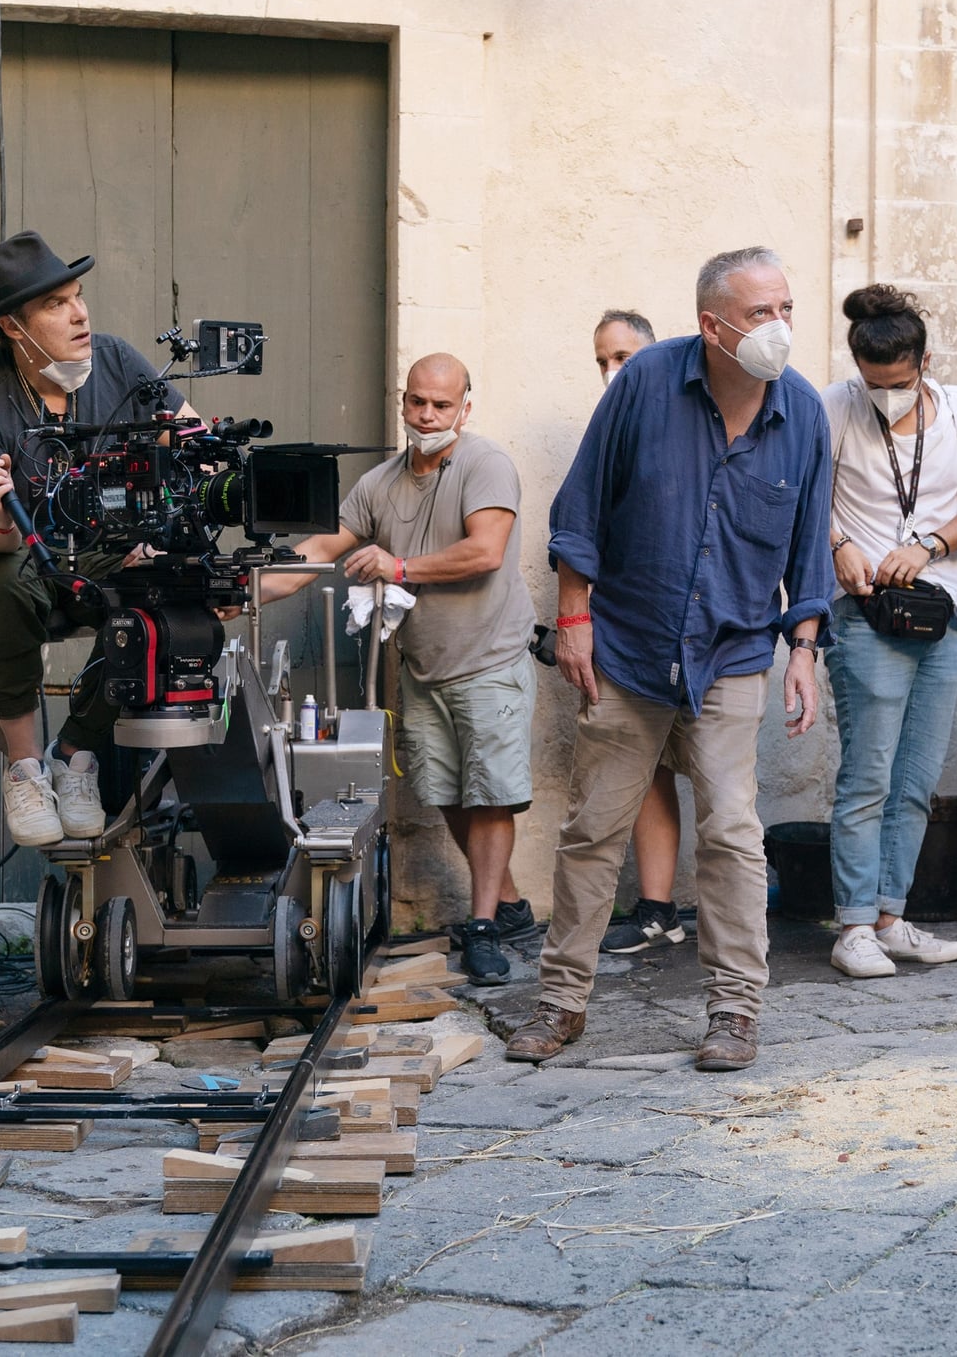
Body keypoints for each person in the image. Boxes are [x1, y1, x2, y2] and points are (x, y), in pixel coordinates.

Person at [514, 246, 833, 1073]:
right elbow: (579, 507)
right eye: (759, 314)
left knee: (731, 830)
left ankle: (735, 1011)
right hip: (626, 644)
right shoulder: (647, 382)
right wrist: (573, 618)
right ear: (711, 325)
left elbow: (807, 549)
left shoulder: (800, 412)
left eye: (786, 309)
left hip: (729, 653)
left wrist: (802, 648)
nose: (779, 328)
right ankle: (560, 1003)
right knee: (593, 830)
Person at [262, 354, 538, 986]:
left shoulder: (484, 463)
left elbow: (485, 550)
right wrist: (246, 589)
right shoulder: (381, 482)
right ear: (403, 401)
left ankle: (486, 924)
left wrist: (400, 567)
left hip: (490, 659)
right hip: (424, 667)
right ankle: (514, 905)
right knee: (447, 795)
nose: (428, 415)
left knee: (492, 796)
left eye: (442, 404)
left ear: (465, 406)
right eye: (418, 402)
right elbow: (321, 547)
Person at [0, 231, 206, 849]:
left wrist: (172, 522)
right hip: (11, 557)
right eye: (56, 305)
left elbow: (192, 442)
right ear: (12, 325)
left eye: (78, 297)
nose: (80, 313)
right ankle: (27, 767)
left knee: (168, 584)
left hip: (103, 558)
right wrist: (0, 507)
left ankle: (76, 755)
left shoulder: (116, 362)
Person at [821, 287, 957, 979]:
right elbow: (806, 494)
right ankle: (854, 925)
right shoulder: (834, 405)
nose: (884, 396)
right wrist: (839, 545)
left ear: (923, 364)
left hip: (940, 606)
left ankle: (892, 916)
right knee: (867, 773)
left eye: (897, 384)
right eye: (872, 383)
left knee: (918, 777)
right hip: (865, 608)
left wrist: (926, 545)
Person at [587, 310, 691, 956]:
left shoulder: (688, 425)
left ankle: (733, 929)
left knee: (718, 777)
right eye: (601, 359)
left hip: (699, 636)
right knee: (645, 772)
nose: (610, 371)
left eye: (622, 356)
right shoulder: (609, 431)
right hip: (627, 636)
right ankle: (658, 908)